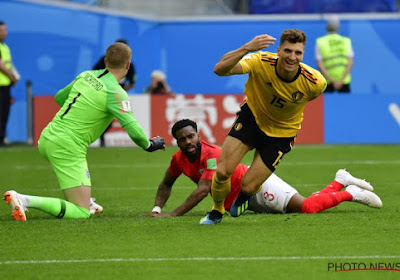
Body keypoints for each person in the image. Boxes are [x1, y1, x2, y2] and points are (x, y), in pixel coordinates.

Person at [3, 42, 165, 221]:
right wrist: (149, 145)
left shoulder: (85, 75)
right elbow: (133, 129)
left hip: (48, 136)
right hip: (67, 146)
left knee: (81, 194)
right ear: (128, 65)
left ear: (105, 61)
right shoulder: (116, 93)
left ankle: (86, 200)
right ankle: (24, 200)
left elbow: (59, 97)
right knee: (80, 212)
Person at [202, 29, 327, 225]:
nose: (292, 57)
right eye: (287, 51)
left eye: (298, 53)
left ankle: (247, 194)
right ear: (278, 50)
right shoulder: (260, 61)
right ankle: (217, 210)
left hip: (282, 134)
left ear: (303, 55)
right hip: (252, 120)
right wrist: (246, 48)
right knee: (223, 172)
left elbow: (312, 96)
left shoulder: (315, 82)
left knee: (249, 186)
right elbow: (220, 69)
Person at [146, 119, 382, 220]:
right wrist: (157, 208)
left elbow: (203, 189)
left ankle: (350, 193)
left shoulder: (211, 154)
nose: (188, 142)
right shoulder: (178, 159)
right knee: (298, 210)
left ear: (198, 135)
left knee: (308, 208)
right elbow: (166, 182)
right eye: (183, 139)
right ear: (176, 142)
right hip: (242, 203)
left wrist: (172, 214)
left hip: (256, 185)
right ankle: (339, 180)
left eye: (191, 136)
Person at [93, 39, 136, 147]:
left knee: (111, 119)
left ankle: (101, 137)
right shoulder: (104, 60)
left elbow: (132, 82)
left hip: (116, 94)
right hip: (102, 92)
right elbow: (94, 72)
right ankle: (97, 137)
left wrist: (121, 91)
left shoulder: (130, 65)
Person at [315, 16, 354, 93]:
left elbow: (320, 65)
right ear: (338, 27)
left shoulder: (320, 42)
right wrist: (340, 81)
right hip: (344, 82)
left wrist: (332, 81)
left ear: (327, 27)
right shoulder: (346, 41)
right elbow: (350, 63)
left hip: (327, 83)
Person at [0, 21, 19, 147]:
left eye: (5, 30)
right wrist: (12, 77)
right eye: (2, 30)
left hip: (6, 85)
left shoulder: (5, 47)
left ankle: (1, 138)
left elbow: (9, 64)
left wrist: (14, 77)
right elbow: (1, 65)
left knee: (4, 113)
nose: (5, 32)